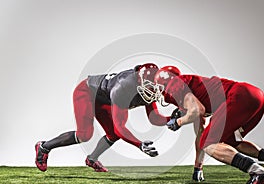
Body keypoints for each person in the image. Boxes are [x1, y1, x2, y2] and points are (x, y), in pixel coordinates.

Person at [154, 66, 264, 184]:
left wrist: (178, 122)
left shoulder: (175, 85)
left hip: (238, 97)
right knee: (232, 141)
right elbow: (201, 130)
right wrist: (198, 167)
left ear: (166, 82)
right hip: (256, 96)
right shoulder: (191, 86)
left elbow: (197, 110)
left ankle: (259, 173)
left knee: (209, 144)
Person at [35, 63, 169, 172]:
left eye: (154, 87)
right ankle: (44, 147)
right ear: (139, 83)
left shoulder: (147, 87)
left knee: (112, 135)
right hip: (87, 92)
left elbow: (154, 118)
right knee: (85, 135)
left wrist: (173, 119)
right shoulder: (123, 87)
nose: (153, 91)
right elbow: (119, 127)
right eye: (150, 87)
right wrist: (139, 144)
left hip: (104, 98)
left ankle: (92, 159)